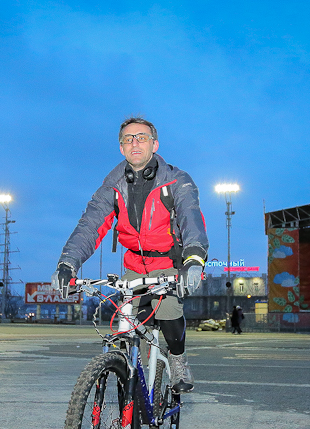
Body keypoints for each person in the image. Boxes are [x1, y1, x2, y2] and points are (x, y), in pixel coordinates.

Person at [52, 117, 208, 392]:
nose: (134, 142)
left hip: (167, 263)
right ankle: (128, 381)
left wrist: (193, 260)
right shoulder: (112, 185)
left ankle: (177, 357)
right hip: (134, 266)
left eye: (142, 137)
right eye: (128, 139)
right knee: (124, 326)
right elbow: (90, 225)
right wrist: (68, 263)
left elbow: (191, 220)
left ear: (154, 144)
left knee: (168, 308)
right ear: (121, 148)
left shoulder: (176, 180)